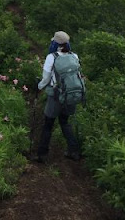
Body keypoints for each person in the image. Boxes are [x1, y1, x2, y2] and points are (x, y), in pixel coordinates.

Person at [34, 30, 80, 162]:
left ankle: (42, 154)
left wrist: (39, 86)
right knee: (65, 122)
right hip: (71, 95)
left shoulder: (52, 57)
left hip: (56, 95)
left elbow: (46, 78)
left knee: (48, 124)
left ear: (55, 43)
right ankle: (74, 151)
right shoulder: (74, 56)